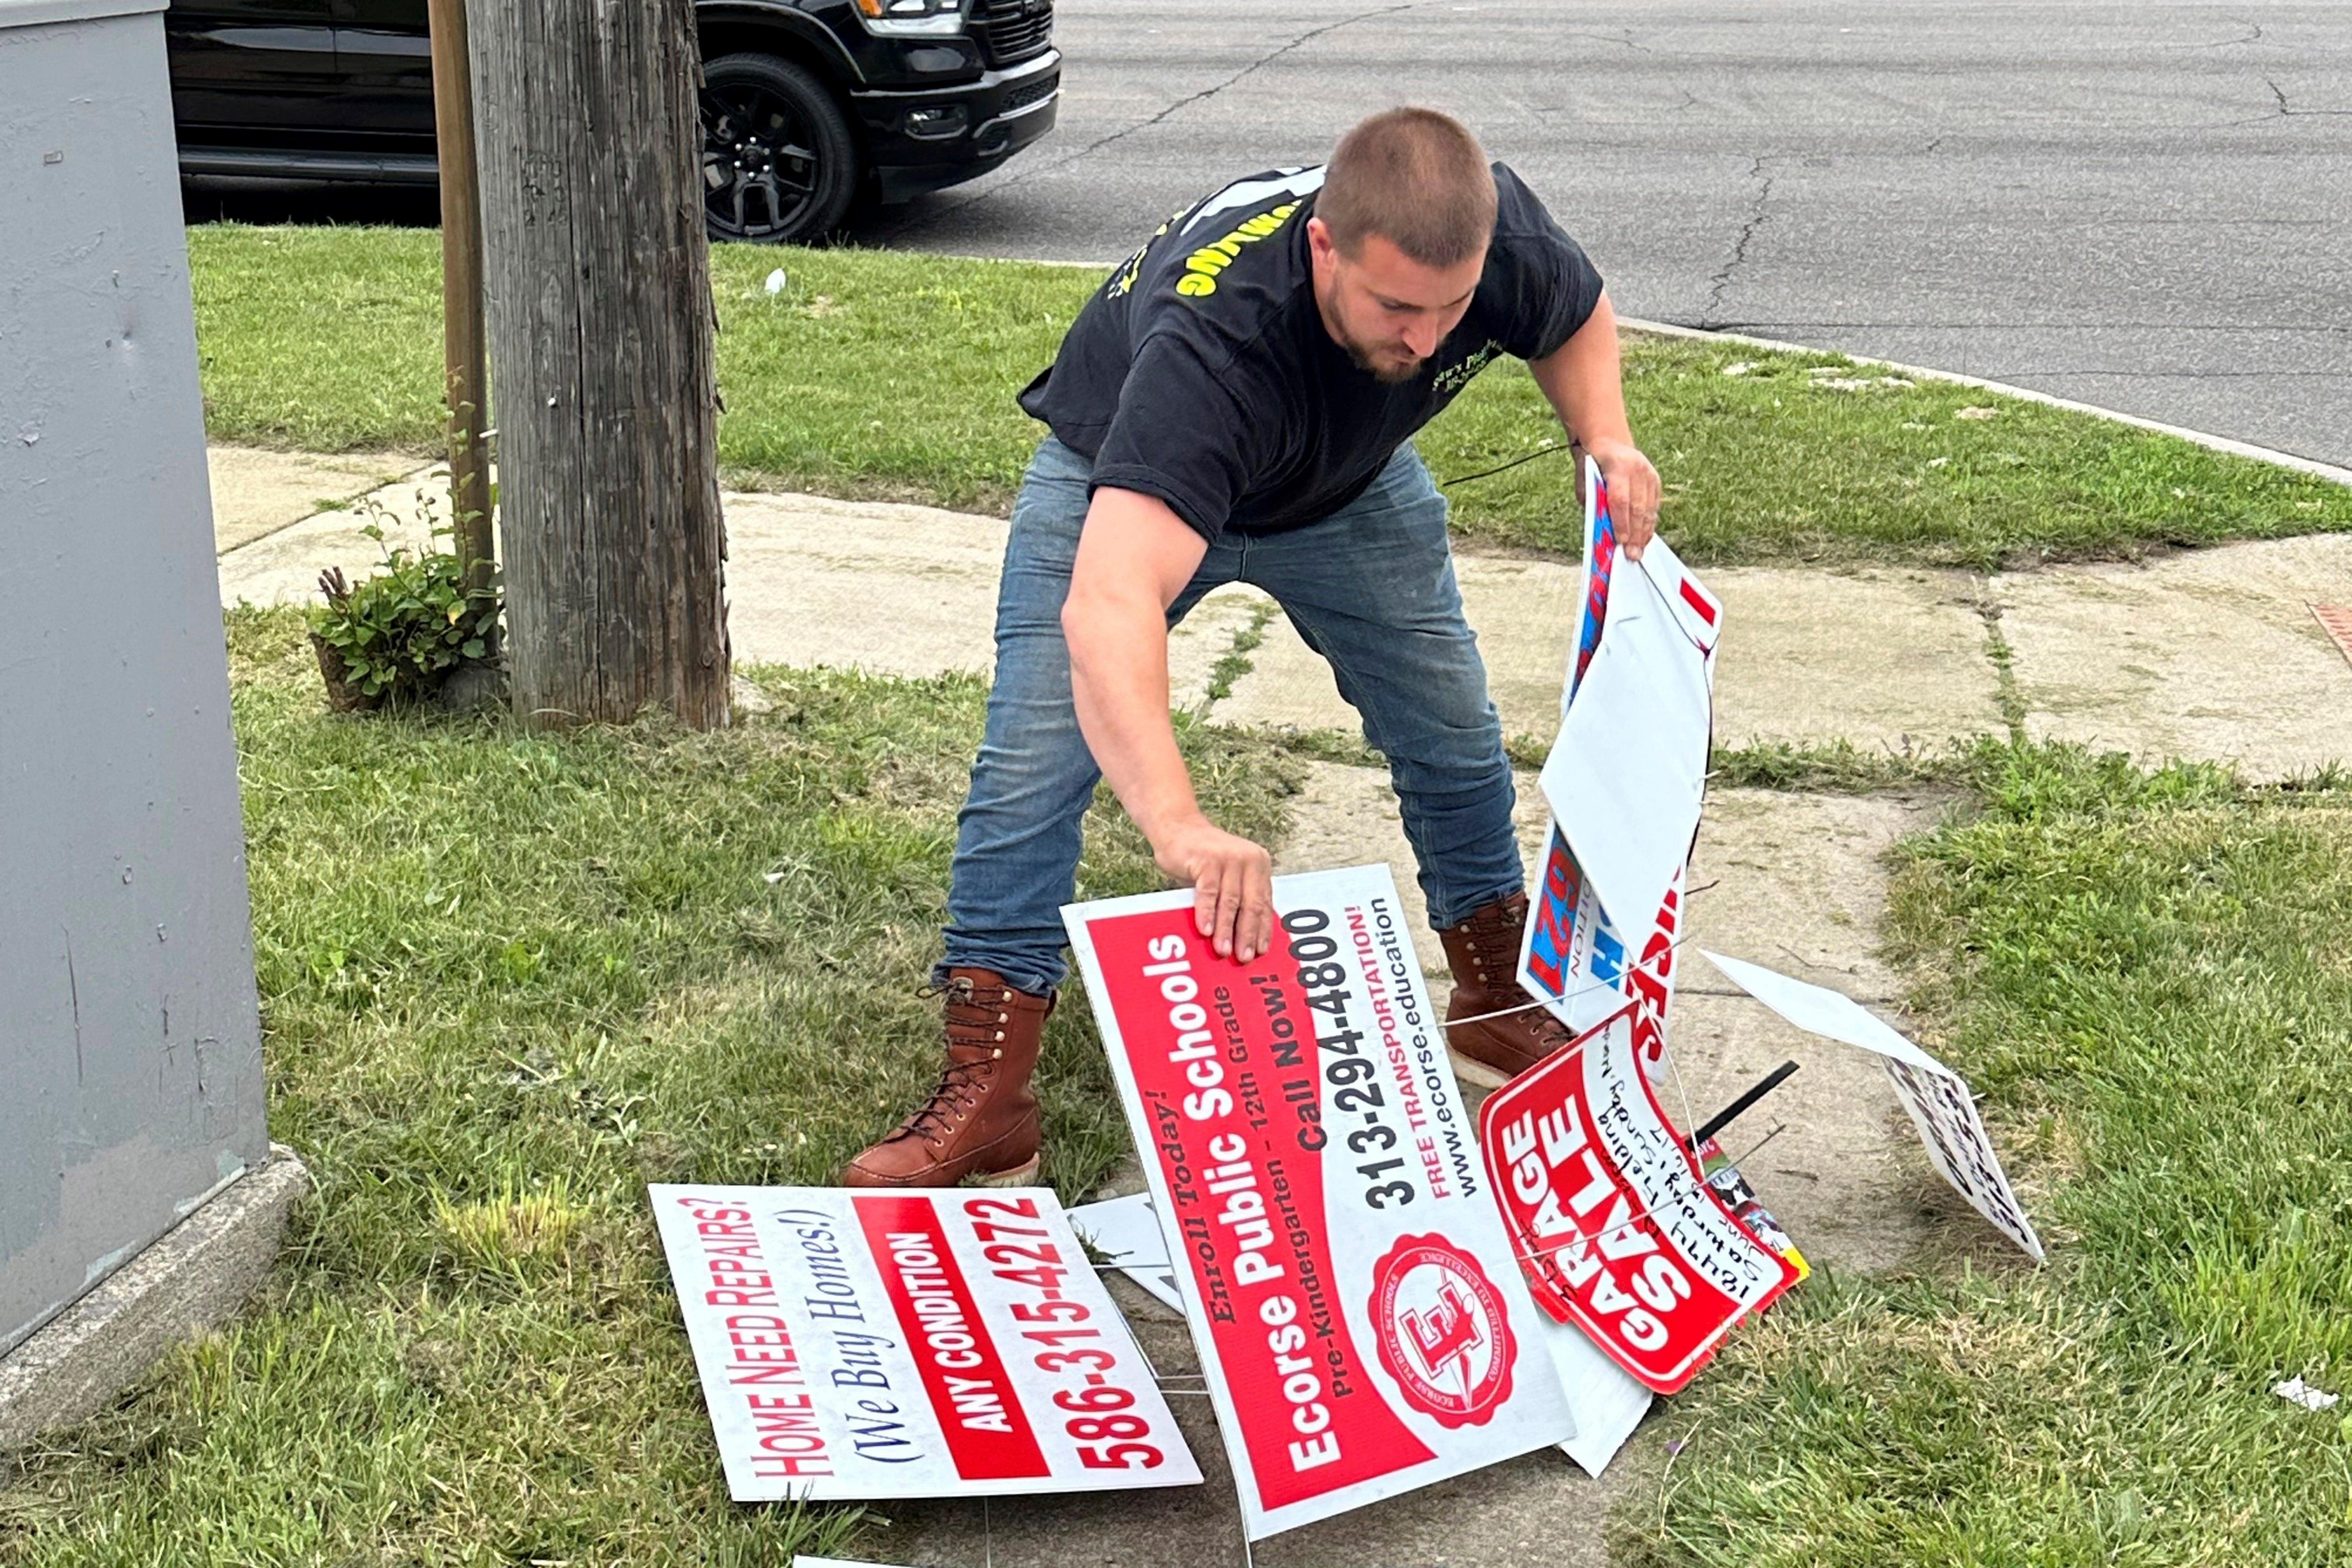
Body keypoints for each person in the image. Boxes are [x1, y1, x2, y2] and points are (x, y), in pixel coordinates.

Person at [841, 107, 1662, 1189]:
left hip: (1345, 492)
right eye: (1397, 309)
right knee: (1030, 768)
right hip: (1118, 478)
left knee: (1454, 734)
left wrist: (1605, 436)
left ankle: (1495, 996)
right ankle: (991, 1094)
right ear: (1323, 245)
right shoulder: (1214, 346)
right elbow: (1110, 605)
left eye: (1452, 310)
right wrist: (1178, 827)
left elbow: (1574, 309)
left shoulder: (1489, 233)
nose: (1427, 342)